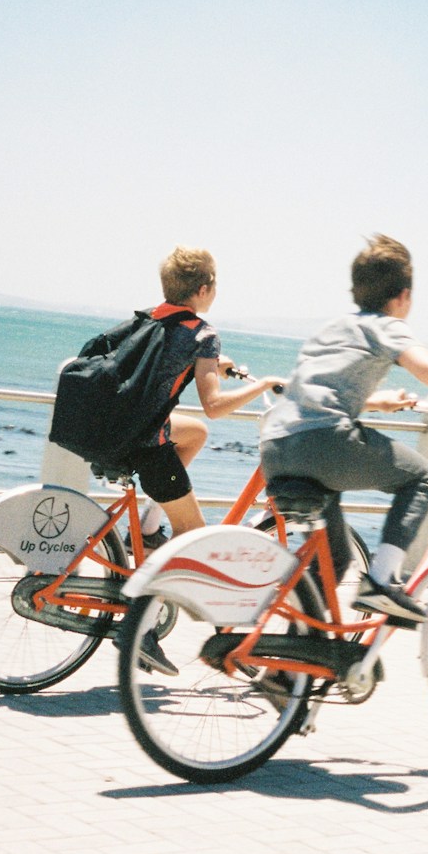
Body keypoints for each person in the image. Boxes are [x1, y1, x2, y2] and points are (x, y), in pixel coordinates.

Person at [258, 234, 428, 623]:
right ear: (404, 296)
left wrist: (375, 402)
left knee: (332, 563)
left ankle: (287, 666)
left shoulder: (332, 328)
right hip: (322, 443)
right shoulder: (388, 326)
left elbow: (311, 390)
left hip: (276, 445)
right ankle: (381, 581)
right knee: (422, 477)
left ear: (356, 289)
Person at [120, 246, 281, 674]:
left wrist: (211, 365)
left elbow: (170, 363)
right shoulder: (202, 332)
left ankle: (150, 527)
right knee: (194, 538)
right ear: (205, 289)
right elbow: (213, 405)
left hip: (122, 430)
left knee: (195, 434)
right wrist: (261, 383)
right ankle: (143, 628)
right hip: (149, 446)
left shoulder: (152, 318)